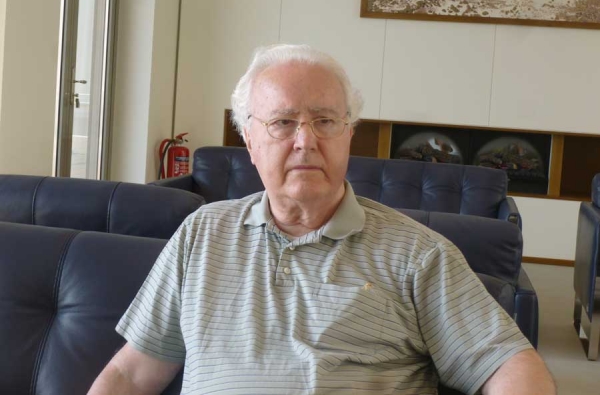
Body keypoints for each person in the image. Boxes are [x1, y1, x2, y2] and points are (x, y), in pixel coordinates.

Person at [88, 44, 555, 394]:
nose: (305, 141)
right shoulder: (201, 234)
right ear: (249, 140)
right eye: (283, 122)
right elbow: (132, 374)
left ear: (349, 135)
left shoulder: (419, 255)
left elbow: (511, 367)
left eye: (326, 121)